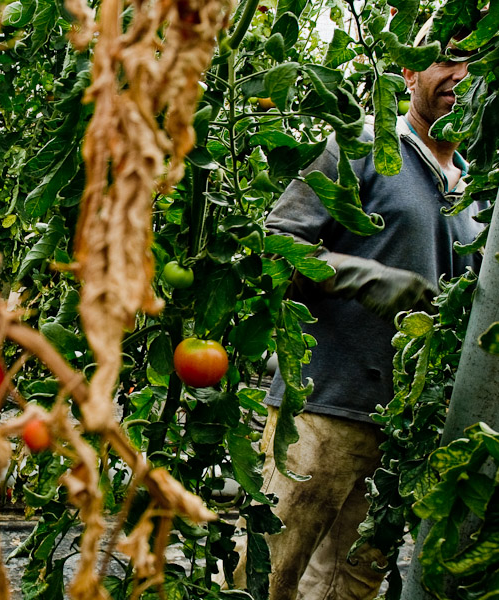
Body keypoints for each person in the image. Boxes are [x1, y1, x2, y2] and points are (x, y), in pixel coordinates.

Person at [226, 21, 484, 600]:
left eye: (475, 66)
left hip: (406, 433)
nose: (460, 77)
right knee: (272, 570)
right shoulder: (362, 147)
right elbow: (275, 241)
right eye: (444, 61)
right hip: (326, 407)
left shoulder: (474, 190)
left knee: (353, 582)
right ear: (409, 73)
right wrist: (366, 276)